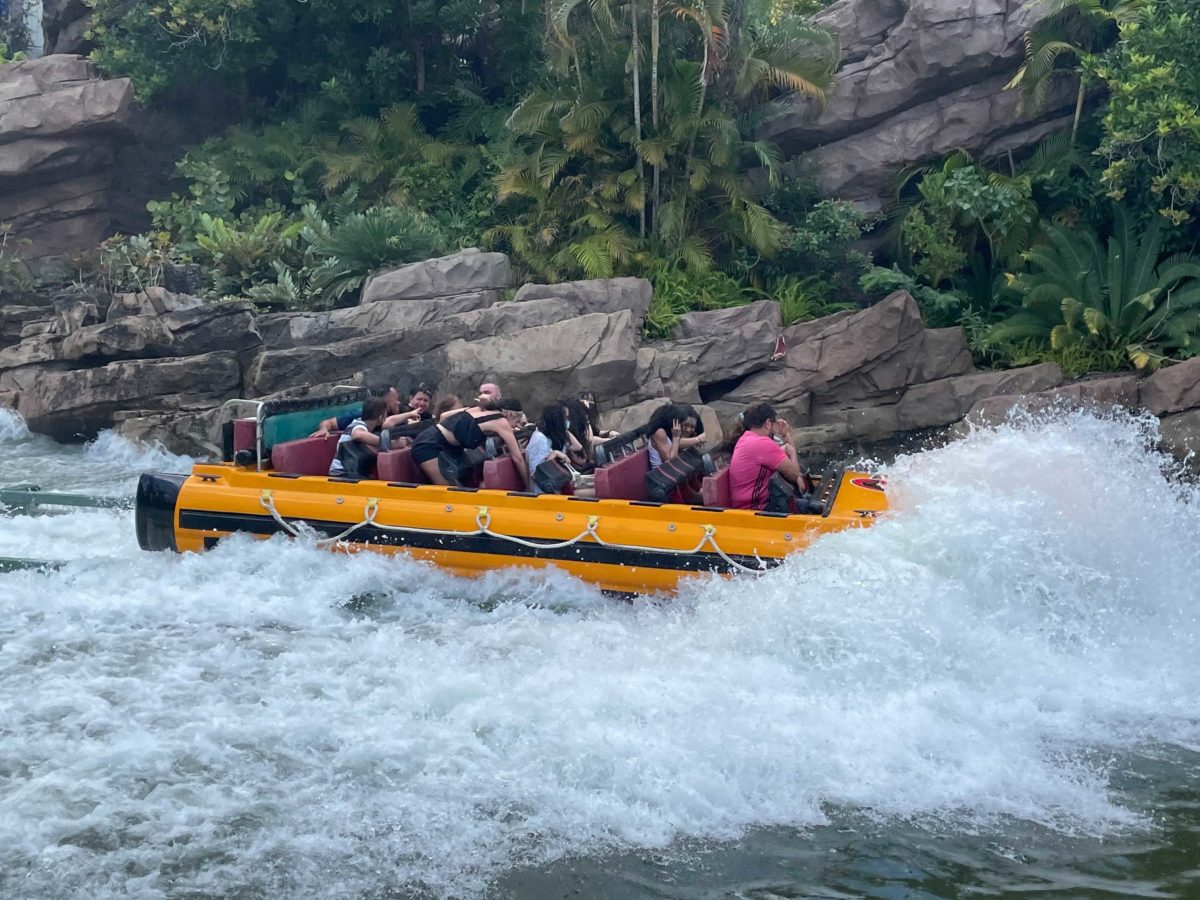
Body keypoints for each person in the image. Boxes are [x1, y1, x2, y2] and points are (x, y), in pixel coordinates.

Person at [411, 394, 530, 487]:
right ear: (510, 415)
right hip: (428, 445)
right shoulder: (501, 422)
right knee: (448, 488)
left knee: (468, 477)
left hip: (443, 441)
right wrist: (528, 486)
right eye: (516, 422)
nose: (515, 427)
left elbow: (444, 416)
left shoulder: (477, 409)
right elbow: (518, 459)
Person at [728, 402, 802, 511]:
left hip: (750, 506)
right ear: (768, 423)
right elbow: (794, 474)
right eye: (773, 424)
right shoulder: (762, 443)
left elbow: (778, 458)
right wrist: (792, 452)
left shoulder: (746, 439)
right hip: (755, 510)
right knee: (814, 508)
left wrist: (786, 436)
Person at [525, 403, 584, 494]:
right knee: (596, 492)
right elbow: (535, 475)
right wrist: (555, 454)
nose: (568, 421)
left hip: (561, 484)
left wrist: (565, 430)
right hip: (546, 492)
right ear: (557, 421)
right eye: (565, 418)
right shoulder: (539, 439)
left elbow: (578, 447)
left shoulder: (554, 436)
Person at [328, 396, 388, 477]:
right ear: (381, 417)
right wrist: (386, 442)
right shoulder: (359, 425)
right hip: (342, 473)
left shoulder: (361, 424)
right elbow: (358, 435)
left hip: (352, 472)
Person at [312, 384, 400, 437]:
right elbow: (328, 423)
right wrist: (323, 429)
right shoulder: (362, 415)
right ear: (384, 402)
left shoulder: (399, 413)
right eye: (395, 399)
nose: (398, 403)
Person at [643, 402, 705, 469]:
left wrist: (696, 438)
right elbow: (670, 463)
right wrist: (676, 438)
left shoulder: (675, 433)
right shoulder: (659, 432)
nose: (688, 429)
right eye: (685, 425)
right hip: (664, 475)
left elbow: (680, 444)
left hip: (677, 473)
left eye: (692, 427)